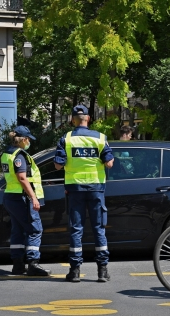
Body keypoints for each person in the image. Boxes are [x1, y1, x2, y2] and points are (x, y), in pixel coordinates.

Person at [54, 104, 114, 283]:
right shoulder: (100, 138)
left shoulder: (66, 139)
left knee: (76, 229)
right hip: (96, 189)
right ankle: (102, 271)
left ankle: (75, 271)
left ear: (73, 119)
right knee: (98, 228)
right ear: (88, 118)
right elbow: (110, 163)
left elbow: (58, 165)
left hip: (75, 189)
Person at [1, 126, 50, 277]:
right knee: (35, 229)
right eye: (28, 139)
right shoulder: (19, 155)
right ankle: (33, 263)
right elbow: (22, 178)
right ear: (22, 140)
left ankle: (18, 265)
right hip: (21, 198)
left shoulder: (6, 153)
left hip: (10, 196)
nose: (29, 142)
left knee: (18, 230)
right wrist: (33, 197)